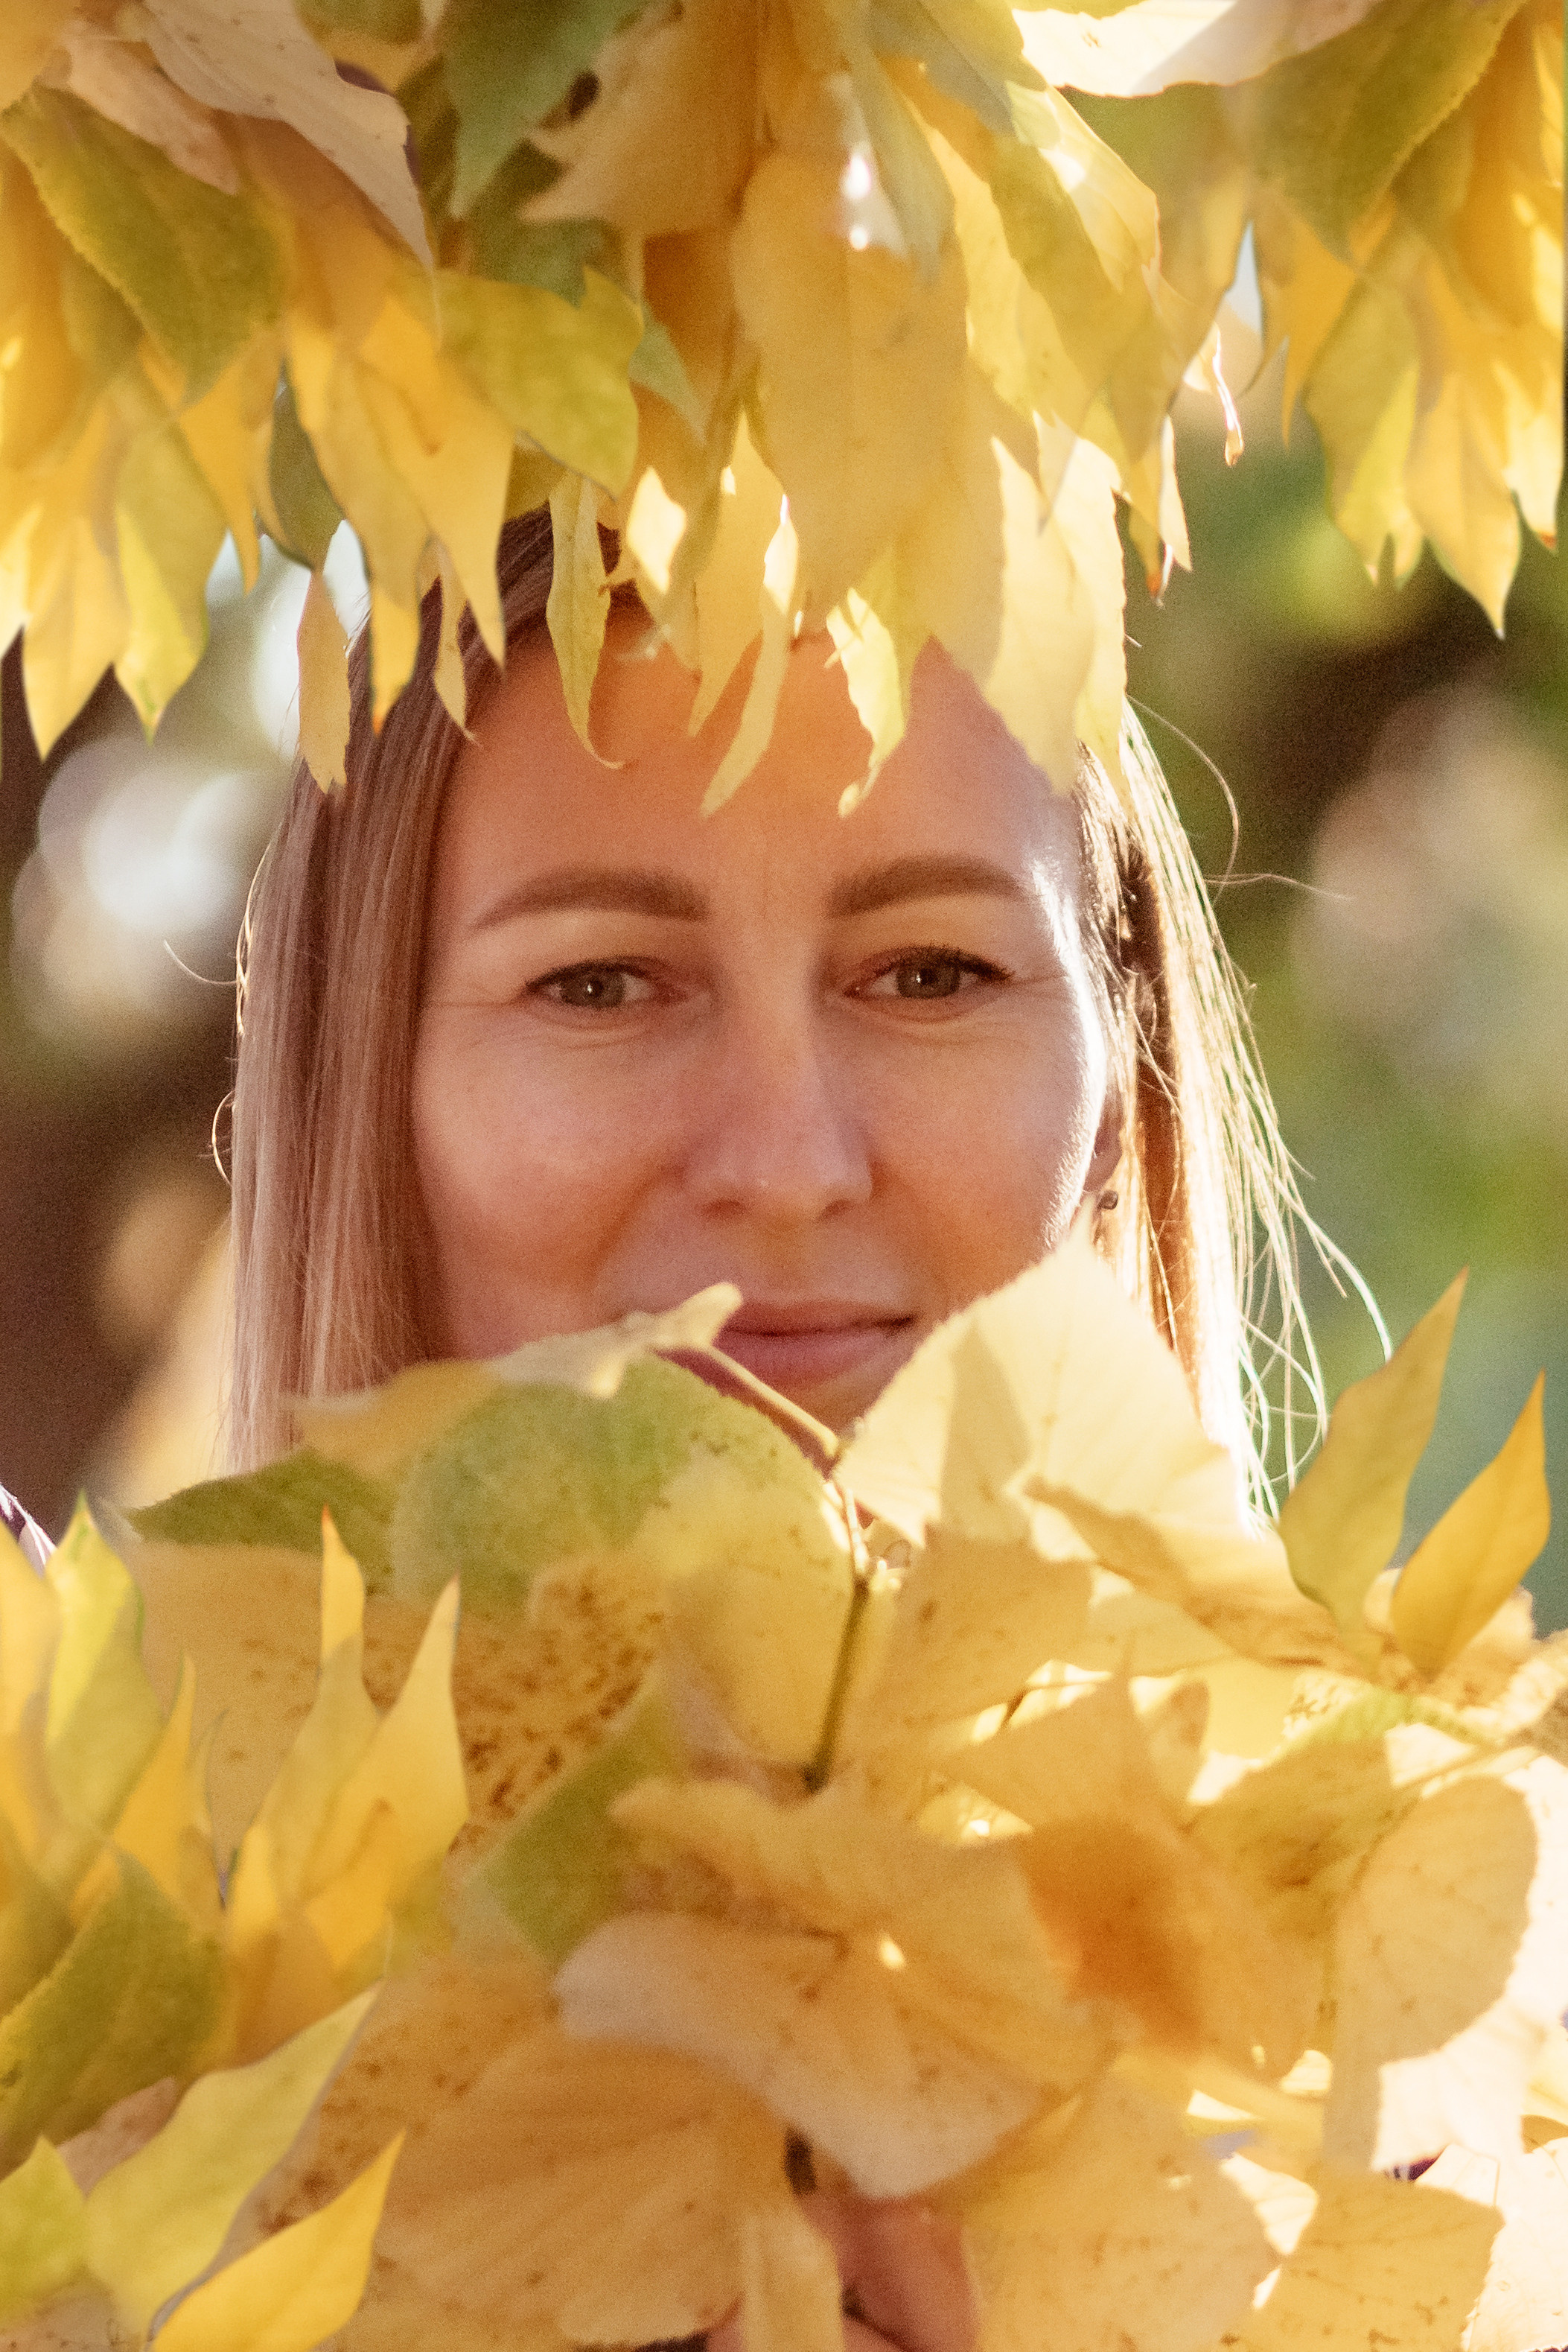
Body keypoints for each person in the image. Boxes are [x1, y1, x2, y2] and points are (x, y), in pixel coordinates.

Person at [227, 507, 1323, 2350]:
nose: (792, 1162)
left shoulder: (1436, 2108)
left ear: (1118, 1075)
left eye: (931, 971)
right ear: (369, 1093)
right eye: (598, 982)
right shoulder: (97, 2091)